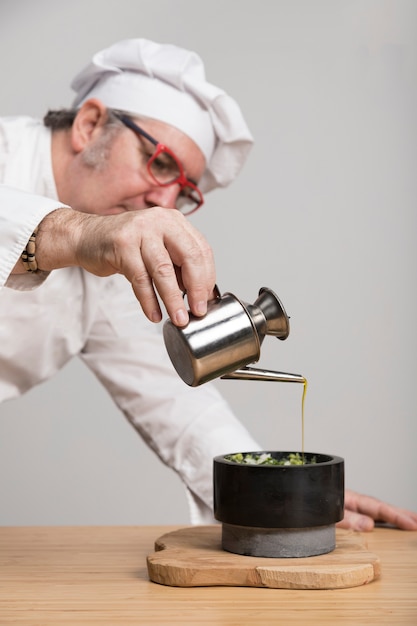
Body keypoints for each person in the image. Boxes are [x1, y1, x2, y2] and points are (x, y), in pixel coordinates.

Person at [1, 38, 416, 532]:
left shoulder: (111, 258)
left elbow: (174, 399)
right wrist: (78, 233)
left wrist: (277, 491)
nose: (164, 201)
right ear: (89, 125)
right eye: (159, 162)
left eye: (184, 191)